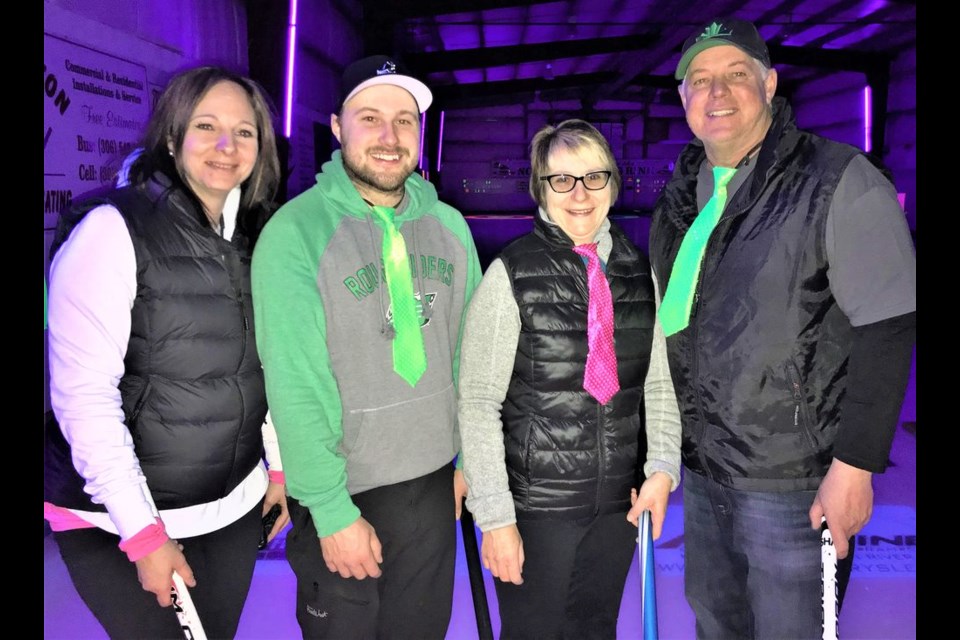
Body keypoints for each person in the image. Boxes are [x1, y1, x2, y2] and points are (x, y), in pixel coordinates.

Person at [648, 17, 917, 639]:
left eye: (736, 75)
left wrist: (855, 466)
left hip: (796, 481)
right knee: (718, 625)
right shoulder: (683, 194)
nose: (717, 93)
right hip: (707, 468)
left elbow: (889, 325)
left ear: (769, 84)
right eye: (700, 80)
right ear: (683, 99)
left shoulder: (837, 179)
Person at [44, 65, 289, 639]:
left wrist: (275, 465)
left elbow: (267, 362)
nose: (227, 147)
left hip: (230, 505)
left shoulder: (257, 235)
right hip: (118, 519)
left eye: (245, 132)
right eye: (207, 126)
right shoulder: (113, 228)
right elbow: (83, 395)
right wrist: (144, 533)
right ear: (172, 136)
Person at [251, 55, 482, 639]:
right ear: (336, 126)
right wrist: (330, 511)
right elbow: (295, 385)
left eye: (404, 120)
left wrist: (466, 462)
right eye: (370, 117)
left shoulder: (451, 228)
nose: (388, 136)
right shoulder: (294, 234)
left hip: (433, 487)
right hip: (345, 489)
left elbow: (470, 360)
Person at [457, 119, 682, 639]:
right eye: (562, 179)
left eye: (594, 177)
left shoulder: (637, 272)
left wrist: (662, 469)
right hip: (537, 510)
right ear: (541, 188)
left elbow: (659, 385)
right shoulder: (509, 274)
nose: (579, 194)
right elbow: (477, 402)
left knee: (595, 630)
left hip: (616, 510)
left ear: (614, 184)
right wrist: (495, 517)